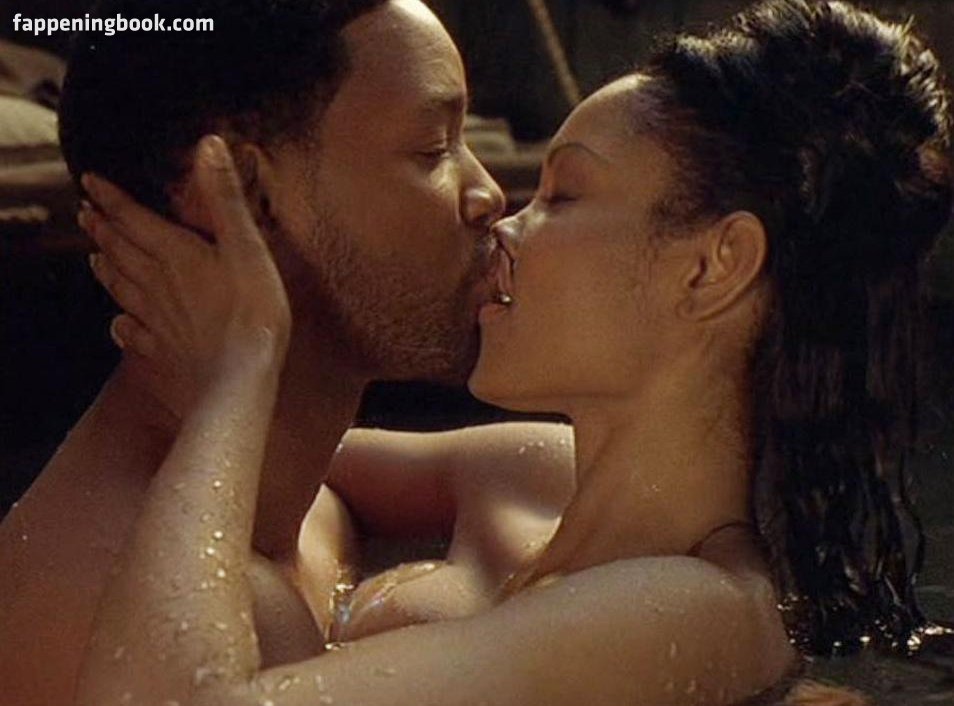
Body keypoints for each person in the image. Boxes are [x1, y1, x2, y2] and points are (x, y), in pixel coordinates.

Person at [68, 0, 953, 703]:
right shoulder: (526, 473)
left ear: (711, 267)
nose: (503, 216)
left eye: (563, 197)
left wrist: (238, 370)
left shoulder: (691, 610)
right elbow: (279, 465)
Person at [0, 1, 552, 703]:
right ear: (240, 192)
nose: (488, 195)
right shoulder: (101, 600)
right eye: (432, 148)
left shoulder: (308, 497)